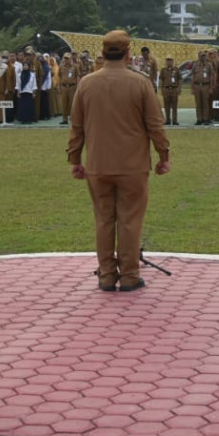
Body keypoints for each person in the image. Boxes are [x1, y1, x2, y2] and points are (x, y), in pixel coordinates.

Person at [68, 30, 170, 293]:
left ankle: (106, 275)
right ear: (128, 54)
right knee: (130, 220)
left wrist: (75, 159)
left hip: (98, 164)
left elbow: (76, 126)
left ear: (102, 54)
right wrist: (164, 156)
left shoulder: (87, 83)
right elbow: (155, 125)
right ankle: (129, 275)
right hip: (132, 166)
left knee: (103, 220)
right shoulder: (140, 83)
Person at [158, 56, 182, 125]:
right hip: (166, 89)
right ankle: (167, 120)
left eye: (170, 60)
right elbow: (161, 79)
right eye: (168, 60)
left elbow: (180, 79)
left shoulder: (176, 69)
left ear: (173, 61)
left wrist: (179, 88)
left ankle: (175, 120)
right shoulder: (163, 70)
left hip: (174, 89)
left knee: (174, 106)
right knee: (166, 106)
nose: (169, 62)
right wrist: (162, 89)